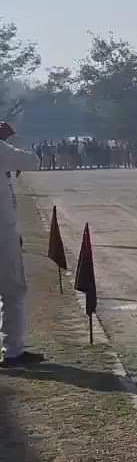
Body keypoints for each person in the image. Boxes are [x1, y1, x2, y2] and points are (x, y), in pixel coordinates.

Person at [0, 121, 41, 366]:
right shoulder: (2, 149)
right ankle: (13, 350)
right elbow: (33, 161)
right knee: (13, 290)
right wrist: (9, 140)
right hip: (2, 230)